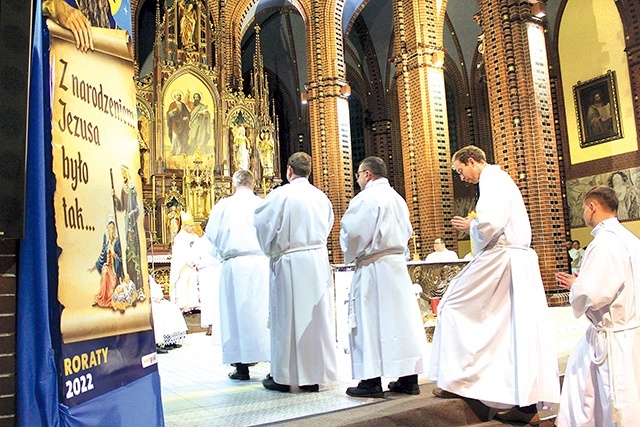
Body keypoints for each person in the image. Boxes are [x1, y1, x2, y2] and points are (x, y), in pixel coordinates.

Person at [428, 145, 559, 424]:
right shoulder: (500, 180)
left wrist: (470, 227)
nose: (461, 178)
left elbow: (491, 224)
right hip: (515, 260)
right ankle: (519, 402)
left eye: (460, 171)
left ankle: (458, 380)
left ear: (472, 161)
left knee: (451, 305)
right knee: (510, 328)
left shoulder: (492, 179)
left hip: (502, 257)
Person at [340, 156, 427, 398]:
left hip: (374, 267)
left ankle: (370, 381)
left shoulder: (366, 198)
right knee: (400, 323)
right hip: (397, 266)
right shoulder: (398, 198)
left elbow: (354, 234)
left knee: (371, 322)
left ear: (367, 174)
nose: (357, 179)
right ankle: (409, 379)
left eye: (358, 174)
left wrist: (349, 249)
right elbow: (407, 231)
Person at [555, 185, 640, 426]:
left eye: (583, 208)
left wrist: (576, 286)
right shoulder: (631, 239)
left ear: (592, 207)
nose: (584, 213)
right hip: (629, 332)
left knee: (611, 402)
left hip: (611, 339)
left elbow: (592, 295)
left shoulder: (605, 242)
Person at [254, 152, 338, 392]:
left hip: (291, 262)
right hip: (317, 261)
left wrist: (271, 249)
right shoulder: (321, 197)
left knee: (287, 320)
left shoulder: (281, 195)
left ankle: (285, 377)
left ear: (289, 171)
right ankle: (313, 376)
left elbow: (262, 224)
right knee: (316, 320)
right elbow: (329, 225)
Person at [206, 170, 270, 381]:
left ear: (234, 185)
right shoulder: (263, 203)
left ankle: (242, 368)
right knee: (264, 313)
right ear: (254, 184)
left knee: (236, 316)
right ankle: (273, 365)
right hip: (261, 263)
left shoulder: (223, 205)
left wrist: (220, 255)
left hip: (234, 265)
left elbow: (212, 235)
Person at [113, 164, 144, 294]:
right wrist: (115, 197)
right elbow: (121, 207)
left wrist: (132, 213)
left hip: (132, 223)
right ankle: (130, 284)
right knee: (127, 250)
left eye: (123, 172)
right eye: (121, 172)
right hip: (126, 222)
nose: (123, 174)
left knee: (133, 250)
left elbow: (137, 207)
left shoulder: (132, 187)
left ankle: (138, 286)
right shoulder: (124, 187)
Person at [89, 214, 123, 308]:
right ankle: (101, 298)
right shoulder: (106, 241)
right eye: (109, 228)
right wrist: (94, 266)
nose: (111, 230)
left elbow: (120, 258)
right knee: (104, 273)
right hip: (107, 267)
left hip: (114, 270)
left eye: (112, 228)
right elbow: (102, 255)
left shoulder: (117, 241)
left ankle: (111, 298)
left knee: (112, 284)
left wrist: (115, 255)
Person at [169, 211, 200, 312]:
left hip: (194, 264)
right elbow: (180, 252)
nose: (192, 228)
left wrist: (196, 260)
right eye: (190, 226)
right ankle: (183, 304)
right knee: (183, 283)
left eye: (192, 226)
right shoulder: (180, 237)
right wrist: (189, 261)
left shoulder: (195, 236)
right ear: (185, 226)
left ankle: (193, 303)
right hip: (184, 265)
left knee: (193, 283)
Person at [193, 228, 220, 339]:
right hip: (215, 270)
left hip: (205, 271)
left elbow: (193, 259)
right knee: (215, 299)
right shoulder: (216, 241)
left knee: (208, 299)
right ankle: (216, 326)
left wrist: (199, 264)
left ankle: (210, 326)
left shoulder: (199, 242)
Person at [149, 274, 187, 354]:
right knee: (158, 312)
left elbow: (155, 286)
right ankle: (158, 343)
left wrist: (158, 296)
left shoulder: (147, 275)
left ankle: (169, 340)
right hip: (149, 301)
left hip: (156, 299)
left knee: (173, 308)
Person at [167, 91, 191, 156]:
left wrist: (186, 117)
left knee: (183, 137)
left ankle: (182, 151)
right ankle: (174, 151)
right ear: (174, 97)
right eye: (177, 95)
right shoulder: (172, 104)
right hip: (175, 123)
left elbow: (187, 113)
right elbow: (169, 114)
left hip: (182, 124)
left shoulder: (183, 105)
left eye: (179, 95)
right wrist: (172, 111)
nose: (178, 96)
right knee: (175, 137)